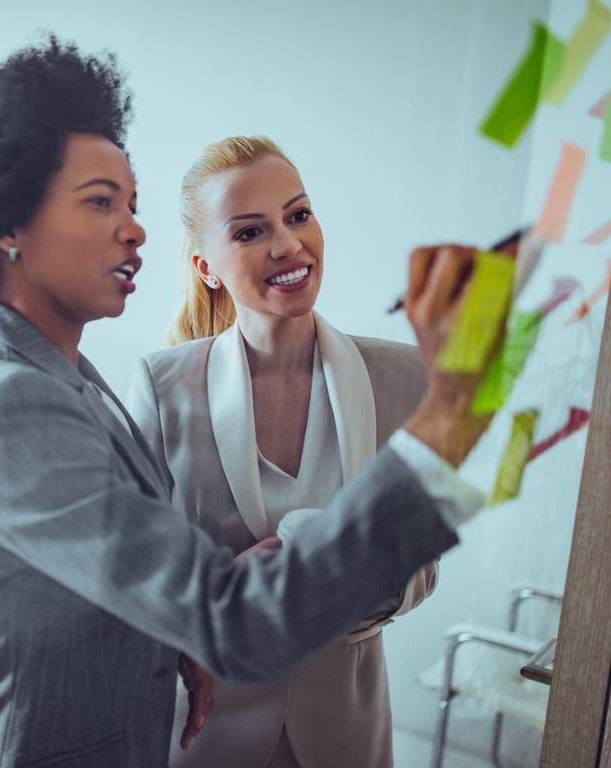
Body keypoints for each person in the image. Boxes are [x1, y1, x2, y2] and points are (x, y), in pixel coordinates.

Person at [0, 38, 493, 767]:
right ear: (7, 226)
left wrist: (177, 633)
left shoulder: (69, 377)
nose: (134, 228)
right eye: (100, 203)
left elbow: (130, 578)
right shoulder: (17, 403)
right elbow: (227, 618)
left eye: (132, 204)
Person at [125, 136, 437, 767]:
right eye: (248, 232)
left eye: (298, 215)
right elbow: (133, 576)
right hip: (207, 734)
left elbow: (423, 568)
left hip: (346, 734)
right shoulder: (161, 388)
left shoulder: (404, 378)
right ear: (205, 266)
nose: (288, 244)